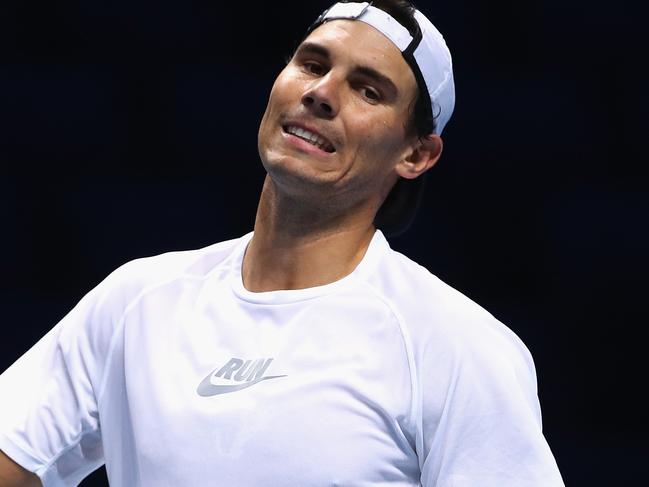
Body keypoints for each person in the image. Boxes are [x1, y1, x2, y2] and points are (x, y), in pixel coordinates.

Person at [0, 1, 565, 485]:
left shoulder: (457, 346)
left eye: (368, 91)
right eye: (312, 64)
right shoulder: (137, 302)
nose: (321, 93)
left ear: (416, 154)